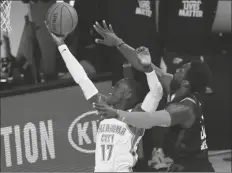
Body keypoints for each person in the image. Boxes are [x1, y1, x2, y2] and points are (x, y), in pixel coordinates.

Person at [93, 21, 215, 172]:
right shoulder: (175, 85)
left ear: (186, 82)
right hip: (182, 165)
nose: (177, 69)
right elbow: (142, 64)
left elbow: (150, 119)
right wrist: (118, 42)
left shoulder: (185, 108)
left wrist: (117, 114)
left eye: (182, 69)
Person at [45, 22, 163, 172]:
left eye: (118, 87)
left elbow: (156, 92)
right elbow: (82, 78)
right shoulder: (105, 109)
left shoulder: (137, 117)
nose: (113, 89)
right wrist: (61, 45)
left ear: (128, 94)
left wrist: (148, 68)